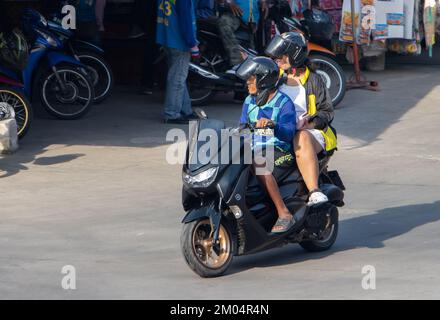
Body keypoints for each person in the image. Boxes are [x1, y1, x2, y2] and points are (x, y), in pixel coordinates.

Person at [265, 31, 337, 206]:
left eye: (281, 56)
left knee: (301, 137)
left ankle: (314, 191)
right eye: (276, 56)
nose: (277, 60)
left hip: (312, 132)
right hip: (279, 131)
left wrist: (308, 123)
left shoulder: (314, 80)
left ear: (294, 55)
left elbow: (327, 112)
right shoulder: (275, 79)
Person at [236, 56, 297, 233]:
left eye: (251, 78)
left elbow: (288, 134)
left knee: (257, 162)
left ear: (263, 79)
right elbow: (242, 127)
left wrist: (273, 124)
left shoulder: (284, 103)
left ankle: (284, 213)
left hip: (279, 151)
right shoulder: (249, 101)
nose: (248, 82)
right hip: (253, 150)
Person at [156, 0, 201, 124]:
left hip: (168, 39)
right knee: (177, 79)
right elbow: (185, 21)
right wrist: (192, 44)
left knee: (179, 77)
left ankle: (185, 110)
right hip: (179, 42)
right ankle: (172, 113)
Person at [217, 0, 267, 68]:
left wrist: (263, 3)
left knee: (253, 59)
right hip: (234, 16)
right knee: (224, 23)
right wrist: (229, 3)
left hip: (251, 23)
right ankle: (237, 62)